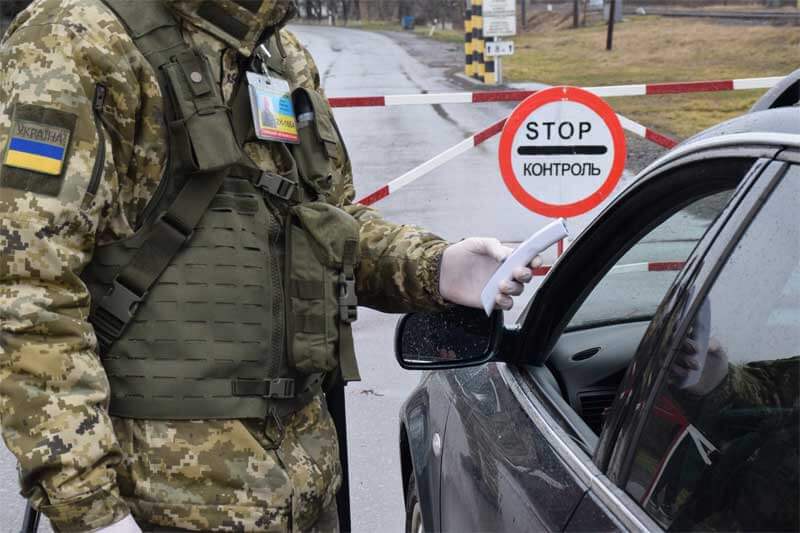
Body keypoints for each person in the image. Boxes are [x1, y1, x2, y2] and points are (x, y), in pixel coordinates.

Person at [0, 1, 540, 531]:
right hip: (163, 502)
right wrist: (91, 511)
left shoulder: (276, 54)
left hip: (308, 487)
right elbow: (25, 289)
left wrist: (437, 266)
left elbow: (323, 223)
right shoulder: (79, 39)